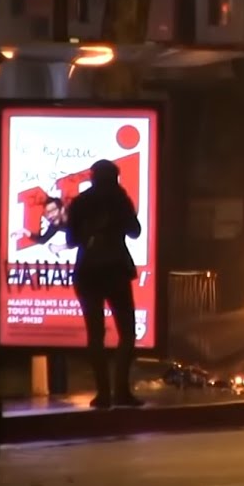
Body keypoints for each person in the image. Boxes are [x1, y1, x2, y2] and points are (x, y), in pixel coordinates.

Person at [66, 159, 144, 409]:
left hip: (87, 271)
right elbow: (135, 231)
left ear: (93, 177)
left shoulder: (80, 202)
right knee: (127, 333)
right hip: (116, 270)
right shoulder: (119, 199)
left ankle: (103, 394)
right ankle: (122, 390)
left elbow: (71, 239)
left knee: (95, 334)